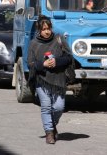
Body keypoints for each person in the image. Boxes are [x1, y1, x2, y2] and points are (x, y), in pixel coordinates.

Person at [28, 15, 72, 144]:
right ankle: (49, 132)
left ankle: (51, 125)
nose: (47, 31)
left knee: (59, 107)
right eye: (44, 29)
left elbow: (69, 58)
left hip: (59, 80)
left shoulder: (59, 39)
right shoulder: (34, 44)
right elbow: (30, 63)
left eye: (49, 28)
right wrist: (44, 65)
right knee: (46, 107)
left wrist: (56, 62)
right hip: (42, 80)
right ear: (39, 30)